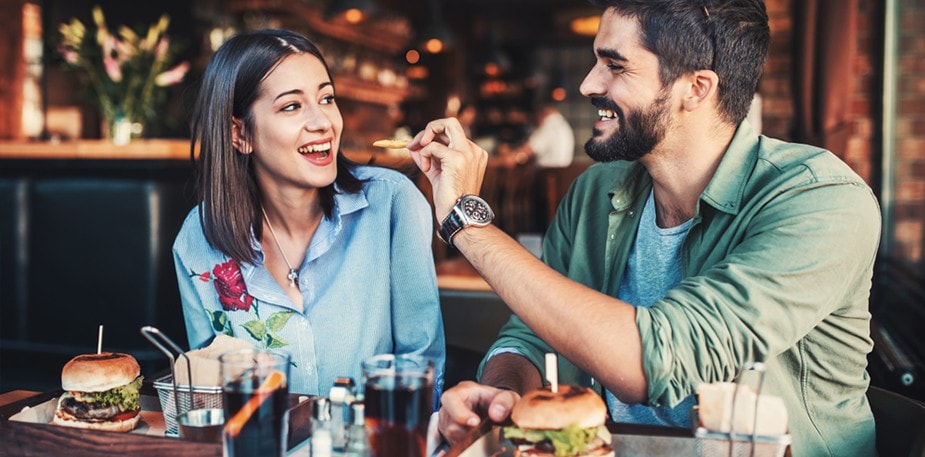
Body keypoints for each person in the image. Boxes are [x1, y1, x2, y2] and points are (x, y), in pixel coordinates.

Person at [408, 1, 879, 456]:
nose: (589, 83)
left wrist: (466, 223)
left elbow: (655, 359)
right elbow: (533, 335)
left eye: (615, 65)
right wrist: (503, 394)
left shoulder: (820, 200)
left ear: (695, 88)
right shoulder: (596, 191)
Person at [172, 29, 445, 402]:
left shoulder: (391, 203)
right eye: (291, 106)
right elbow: (208, 388)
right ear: (239, 134)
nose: (323, 122)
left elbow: (420, 369)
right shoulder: (198, 238)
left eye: (326, 98)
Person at [507, 100, 575, 168]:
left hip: (548, 175)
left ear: (539, 113)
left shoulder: (549, 126)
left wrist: (506, 159)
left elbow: (527, 151)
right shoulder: (563, 125)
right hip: (563, 174)